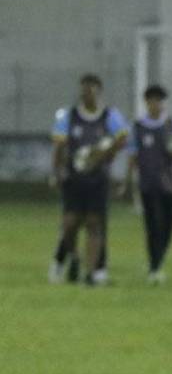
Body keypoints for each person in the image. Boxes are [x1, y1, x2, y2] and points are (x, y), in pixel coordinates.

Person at [48, 74, 128, 286]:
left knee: (94, 224)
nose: (88, 93)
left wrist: (104, 153)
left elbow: (122, 138)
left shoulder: (110, 115)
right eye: (85, 88)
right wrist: (56, 172)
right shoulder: (69, 116)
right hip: (73, 178)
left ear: (99, 91)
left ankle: (91, 273)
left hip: (98, 179)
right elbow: (59, 146)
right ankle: (73, 257)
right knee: (70, 223)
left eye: (92, 89)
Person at [125, 85, 172, 284]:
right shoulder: (138, 127)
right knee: (153, 225)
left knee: (168, 225)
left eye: (160, 100)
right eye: (152, 100)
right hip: (148, 184)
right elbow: (132, 156)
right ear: (147, 102)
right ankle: (154, 266)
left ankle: (158, 261)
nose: (156, 104)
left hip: (170, 184)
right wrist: (128, 182)